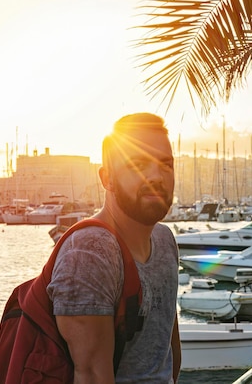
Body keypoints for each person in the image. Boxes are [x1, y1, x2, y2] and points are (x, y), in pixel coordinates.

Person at [46, 113, 181, 383]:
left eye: (165, 165)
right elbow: (92, 376)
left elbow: (168, 353)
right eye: (139, 164)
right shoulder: (89, 253)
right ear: (107, 178)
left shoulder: (165, 241)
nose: (156, 176)